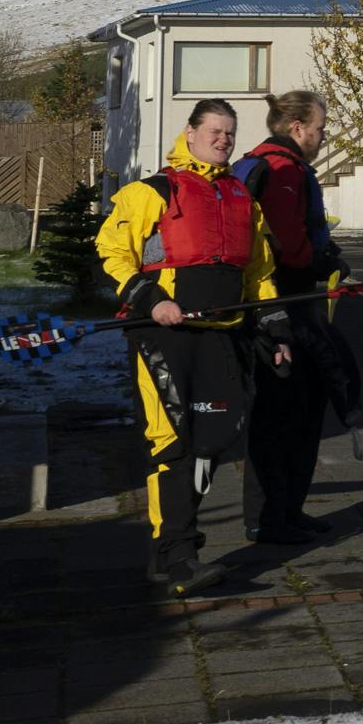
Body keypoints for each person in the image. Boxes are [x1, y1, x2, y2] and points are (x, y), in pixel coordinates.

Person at [97, 99, 288, 594]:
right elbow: (114, 251)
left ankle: (178, 550)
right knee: (173, 443)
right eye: (214, 130)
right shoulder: (153, 191)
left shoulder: (242, 197)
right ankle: (175, 557)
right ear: (190, 132)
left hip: (221, 335)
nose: (222, 139)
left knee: (212, 442)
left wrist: (275, 330)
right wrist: (150, 299)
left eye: (229, 132)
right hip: (163, 335)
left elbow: (259, 272)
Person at [234, 89, 345, 545]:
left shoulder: (268, 162)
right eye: (319, 128)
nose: (323, 136)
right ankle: (269, 518)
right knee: (283, 411)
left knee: (301, 407)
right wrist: (321, 263)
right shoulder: (281, 170)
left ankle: (287, 510)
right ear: (297, 128)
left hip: (283, 302)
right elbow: (287, 243)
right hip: (282, 305)